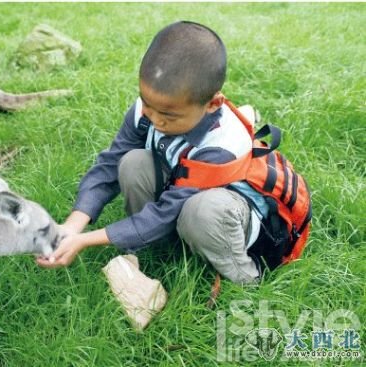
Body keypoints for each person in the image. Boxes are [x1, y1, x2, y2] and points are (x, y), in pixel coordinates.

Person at [37, 21, 270, 284]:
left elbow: (167, 211)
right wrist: (72, 227)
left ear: (212, 104)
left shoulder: (222, 146)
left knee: (201, 212)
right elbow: (110, 165)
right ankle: (155, 251)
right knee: (132, 162)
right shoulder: (151, 108)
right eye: (147, 104)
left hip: (229, 219)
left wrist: (85, 241)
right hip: (181, 200)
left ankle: (244, 279)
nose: (156, 120)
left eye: (169, 115)